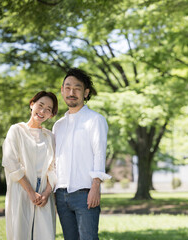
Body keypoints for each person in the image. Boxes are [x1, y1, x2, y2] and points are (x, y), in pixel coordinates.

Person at [53, 68, 111, 240]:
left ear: (86, 93)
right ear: (62, 90)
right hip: (61, 195)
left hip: (85, 193)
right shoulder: (58, 125)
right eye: (68, 87)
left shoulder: (95, 119)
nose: (72, 92)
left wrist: (95, 186)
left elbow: (99, 154)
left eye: (77, 88)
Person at [2, 91, 58, 240]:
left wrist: (46, 194)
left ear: (51, 115)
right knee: (20, 233)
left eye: (48, 109)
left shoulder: (50, 136)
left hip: (44, 192)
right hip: (21, 189)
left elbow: (54, 168)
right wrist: (31, 192)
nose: (42, 111)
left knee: (45, 234)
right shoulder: (16, 130)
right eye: (40, 105)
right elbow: (10, 162)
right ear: (32, 104)